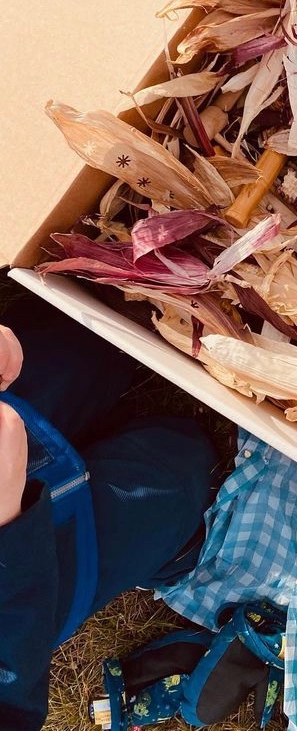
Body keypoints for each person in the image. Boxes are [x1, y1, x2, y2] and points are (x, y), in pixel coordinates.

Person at [0, 291, 219, 731]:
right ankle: (172, 552)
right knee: (181, 468)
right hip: (22, 590)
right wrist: (9, 525)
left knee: (100, 319)